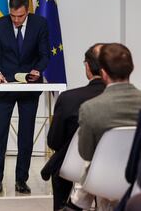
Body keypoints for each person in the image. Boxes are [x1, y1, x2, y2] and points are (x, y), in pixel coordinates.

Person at [0, 0, 50, 194]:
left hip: (29, 87)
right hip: (5, 87)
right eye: (13, 16)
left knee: (26, 134)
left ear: (27, 11)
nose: (16, 20)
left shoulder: (40, 24)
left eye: (20, 16)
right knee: (0, 134)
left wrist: (37, 70)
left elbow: (44, 54)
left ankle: (21, 180)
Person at [68, 43, 141, 211]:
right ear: (131, 68)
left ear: (103, 73)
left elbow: (85, 153)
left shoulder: (90, 108)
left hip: (102, 181)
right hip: (136, 181)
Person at [42, 43, 105, 210]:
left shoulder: (69, 98)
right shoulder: (130, 101)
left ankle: (62, 206)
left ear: (87, 67)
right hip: (119, 168)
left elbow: (54, 142)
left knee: (60, 162)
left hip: (74, 168)